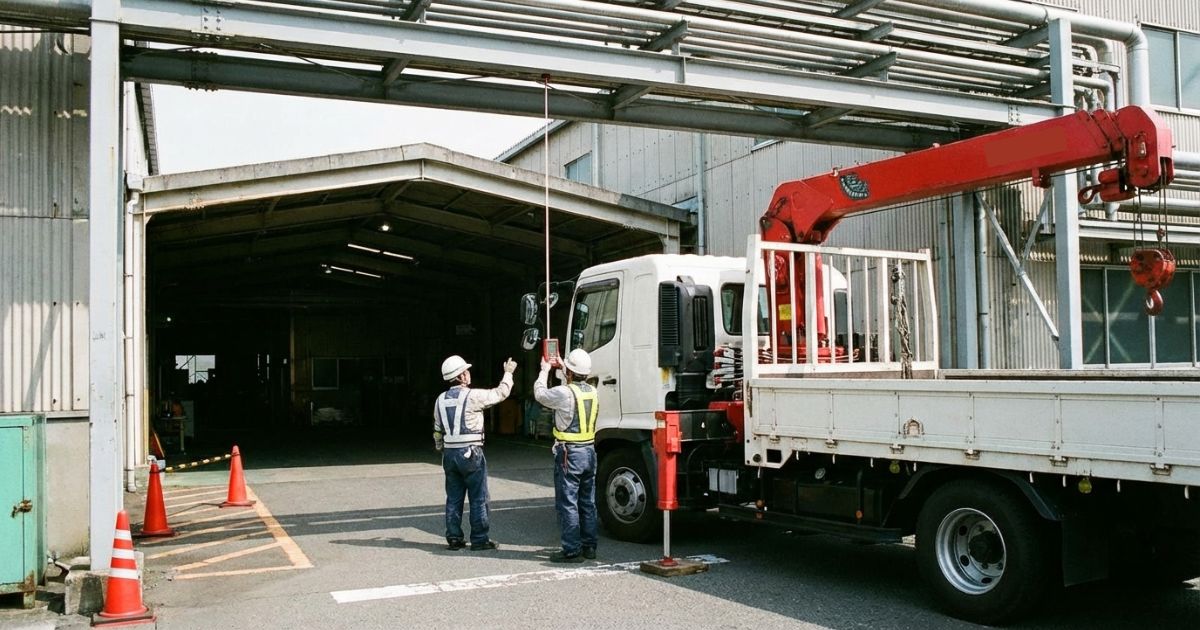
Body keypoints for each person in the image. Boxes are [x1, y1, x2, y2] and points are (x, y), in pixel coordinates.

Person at [433, 354, 517, 551]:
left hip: (450, 454)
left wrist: (440, 446)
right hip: (471, 453)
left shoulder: (440, 400)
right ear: (461, 376)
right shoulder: (472, 396)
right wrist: (508, 373)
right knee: (479, 497)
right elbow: (500, 393)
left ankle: (454, 538)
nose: (469, 374)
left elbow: (437, 429)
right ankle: (479, 539)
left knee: (453, 497)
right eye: (466, 371)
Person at [534, 348, 599, 563]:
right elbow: (573, 384)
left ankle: (571, 550)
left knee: (568, 502)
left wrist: (544, 370)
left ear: (569, 373)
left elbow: (540, 394)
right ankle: (589, 547)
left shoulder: (563, 393)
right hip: (589, 452)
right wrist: (564, 366)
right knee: (587, 502)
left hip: (569, 453)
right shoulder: (592, 390)